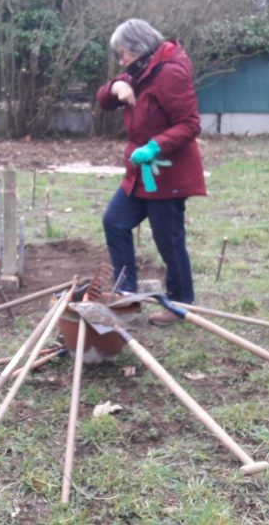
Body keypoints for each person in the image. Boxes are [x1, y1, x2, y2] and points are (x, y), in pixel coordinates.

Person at [95, 18, 206, 326]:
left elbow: (189, 124)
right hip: (139, 174)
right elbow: (104, 101)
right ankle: (126, 292)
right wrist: (116, 85)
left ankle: (182, 304)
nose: (121, 61)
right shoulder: (139, 72)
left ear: (139, 48)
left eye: (123, 54)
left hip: (166, 173)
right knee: (115, 221)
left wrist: (156, 146)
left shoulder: (170, 73)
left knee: (168, 239)